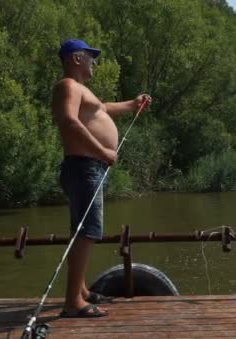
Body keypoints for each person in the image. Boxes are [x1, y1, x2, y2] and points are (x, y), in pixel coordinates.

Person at [52, 39, 151, 318]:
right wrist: (102, 151)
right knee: (88, 232)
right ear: (76, 58)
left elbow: (104, 109)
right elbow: (69, 122)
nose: (94, 61)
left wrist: (133, 104)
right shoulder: (67, 87)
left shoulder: (83, 91)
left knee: (82, 231)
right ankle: (73, 302)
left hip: (90, 168)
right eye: (91, 56)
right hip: (85, 166)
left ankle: (81, 291)